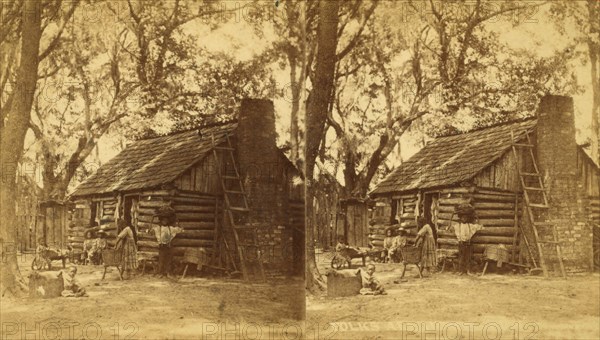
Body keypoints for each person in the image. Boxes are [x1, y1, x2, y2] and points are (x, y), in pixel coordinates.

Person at [146, 206, 183, 278]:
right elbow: (151, 232)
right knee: (161, 260)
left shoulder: (171, 228)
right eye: (163, 220)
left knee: (169, 260)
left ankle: (169, 273)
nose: (165, 221)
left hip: (169, 246)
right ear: (161, 221)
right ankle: (160, 273)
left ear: (168, 221)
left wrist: (179, 224)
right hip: (162, 246)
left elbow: (179, 230)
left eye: (166, 220)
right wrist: (149, 230)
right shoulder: (158, 228)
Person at [448, 203, 484, 275]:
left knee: (468, 258)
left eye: (466, 218)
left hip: (468, 244)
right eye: (463, 218)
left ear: (467, 218)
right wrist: (451, 217)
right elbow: (449, 228)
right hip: (461, 244)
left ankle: (468, 271)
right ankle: (460, 271)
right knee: (461, 258)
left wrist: (477, 217)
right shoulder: (457, 226)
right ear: (460, 218)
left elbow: (480, 227)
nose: (464, 219)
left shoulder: (470, 226)